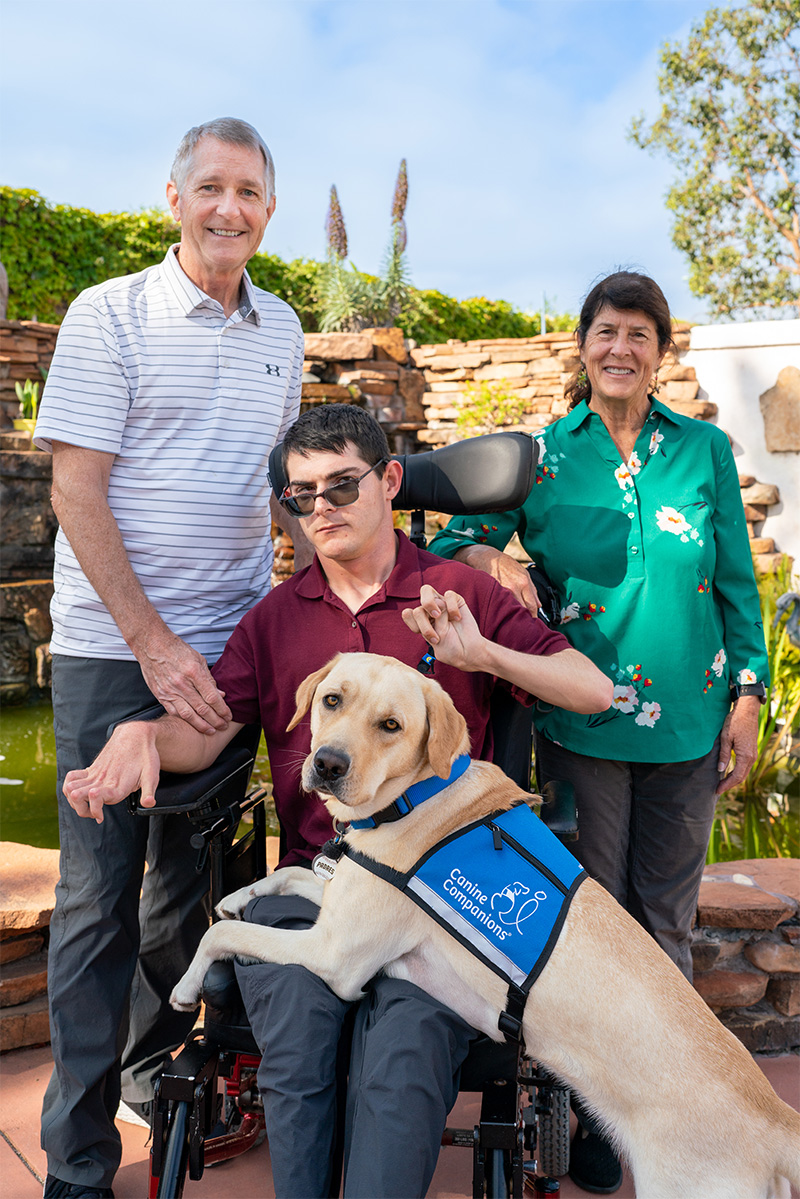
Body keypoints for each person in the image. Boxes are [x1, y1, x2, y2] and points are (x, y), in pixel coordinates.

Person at [64, 404, 612, 1198]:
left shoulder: (458, 593)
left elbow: (592, 690)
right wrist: (146, 735)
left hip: (439, 890)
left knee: (405, 1050)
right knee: (295, 1031)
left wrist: (479, 651)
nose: (320, 507)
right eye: (301, 494)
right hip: (310, 882)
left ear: (389, 482)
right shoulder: (276, 619)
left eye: (341, 485)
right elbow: (207, 733)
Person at [429, 269, 769, 1194]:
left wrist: (748, 697)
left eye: (640, 335)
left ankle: (661, 1114)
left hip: (691, 728)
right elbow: (455, 534)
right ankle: (583, 1107)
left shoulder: (701, 451)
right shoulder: (543, 452)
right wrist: (498, 552)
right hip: (580, 726)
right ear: (583, 344)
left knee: (665, 922)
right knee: (586, 925)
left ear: (663, 352)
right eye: (606, 331)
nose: (621, 348)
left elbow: (739, 587)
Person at [34, 118, 308, 1199]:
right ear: (172, 197)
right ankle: (80, 1161)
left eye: (247, 191)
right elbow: (75, 489)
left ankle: (153, 1078)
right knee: (98, 900)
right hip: (116, 646)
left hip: (230, 650)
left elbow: (279, 488)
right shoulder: (112, 315)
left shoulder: (280, 328)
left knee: (181, 891)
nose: (227, 208)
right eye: (209, 188)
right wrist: (151, 644)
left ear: (268, 209)